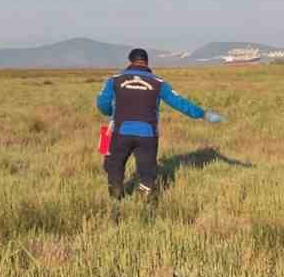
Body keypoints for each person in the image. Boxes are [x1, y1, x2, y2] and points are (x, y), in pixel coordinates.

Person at [95, 48, 223, 199]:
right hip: (148, 134)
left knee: (114, 165)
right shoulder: (158, 82)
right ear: (147, 62)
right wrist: (203, 114)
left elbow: (102, 103)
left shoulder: (115, 79)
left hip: (120, 132)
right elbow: (180, 103)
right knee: (147, 171)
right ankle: (146, 197)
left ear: (130, 61)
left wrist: (110, 112)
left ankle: (116, 194)